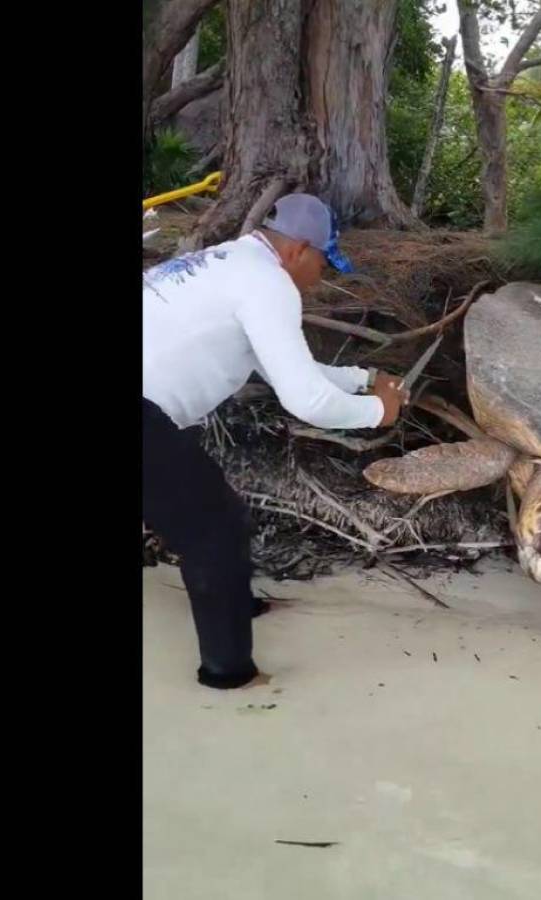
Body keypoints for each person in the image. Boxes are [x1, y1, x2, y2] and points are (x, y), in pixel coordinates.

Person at [143, 193, 408, 689]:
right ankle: (229, 677)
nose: (321, 278)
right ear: (299, 250)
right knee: (214, 534)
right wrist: (379, 412)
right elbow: (305, 400)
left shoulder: (233, 262)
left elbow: (284, 366)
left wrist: (364, 377)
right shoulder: (268, 285)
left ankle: (234, 604)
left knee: (222, 517)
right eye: (324, 264)